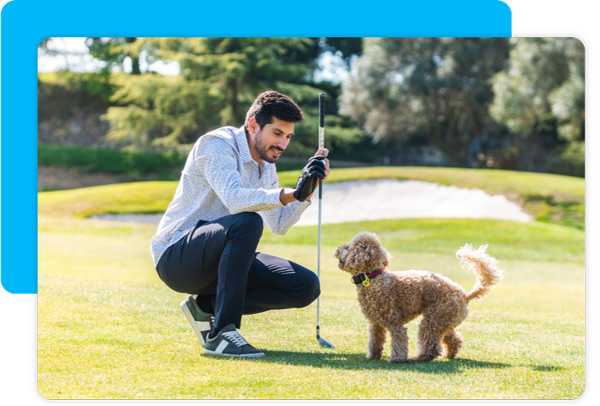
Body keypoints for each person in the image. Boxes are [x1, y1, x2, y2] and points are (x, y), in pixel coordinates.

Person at [151, 90, 330, 358]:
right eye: (277, 133)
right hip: (176, 257)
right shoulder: (215, 144)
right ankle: (222, 334)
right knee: (247, 221)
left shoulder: (266, 164)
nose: (283, 144)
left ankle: (206, 307)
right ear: (253, 125)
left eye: (288, 137)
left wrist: (308, 190)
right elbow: (235, 200)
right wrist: (291, 193)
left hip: (220, 259)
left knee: (305, 286)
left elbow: (280, 224)